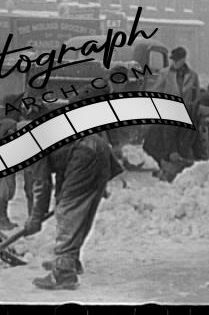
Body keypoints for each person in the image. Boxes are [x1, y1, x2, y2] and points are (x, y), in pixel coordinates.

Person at [23, 91, 122, 291]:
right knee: (76, 209)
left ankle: (64, 272)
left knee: (69, 211)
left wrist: (36, 218)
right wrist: (61, 198)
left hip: (84, 153)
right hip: (97, 149)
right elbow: (62, 169)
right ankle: (70, 260)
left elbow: (42, 184)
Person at [0, 94, 25, 231]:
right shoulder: (8, 124)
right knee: (4, 190)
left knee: (5, 189)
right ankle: (1, 218)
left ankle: (2, 217)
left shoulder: (2, 122)